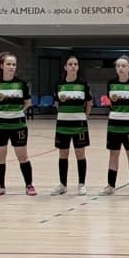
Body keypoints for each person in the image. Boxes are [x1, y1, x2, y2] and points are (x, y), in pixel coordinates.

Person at [0, 51, 33, 197]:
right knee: (0, 156)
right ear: (1, 66)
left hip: (18, 125)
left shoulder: (21, 84)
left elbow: (27, 103)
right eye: (8, 64)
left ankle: (29, 185)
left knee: (22, 155)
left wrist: (15, 113)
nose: (11, 67)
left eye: (14, 64)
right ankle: (0, 186)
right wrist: (3, 113)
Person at [52, 55, 92, 196]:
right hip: (62, 125)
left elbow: (89, 103)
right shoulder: (59, 85)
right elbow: (57, 104)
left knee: (80, 154)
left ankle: (81, 184)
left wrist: (84, 117)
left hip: (79, 125)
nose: (73, 66)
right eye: (70, 64)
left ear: (78, 67)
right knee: (63, 154)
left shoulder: (83, 85)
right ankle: (63, 185)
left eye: (75, 64)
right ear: (65, 67)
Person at [104, 56, 129, 195]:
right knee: (113, 154)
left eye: (124, 66)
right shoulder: (111, 83)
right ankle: (111, 186)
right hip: (114, 125)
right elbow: (110, 102)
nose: (121, 68)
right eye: (118, 66)